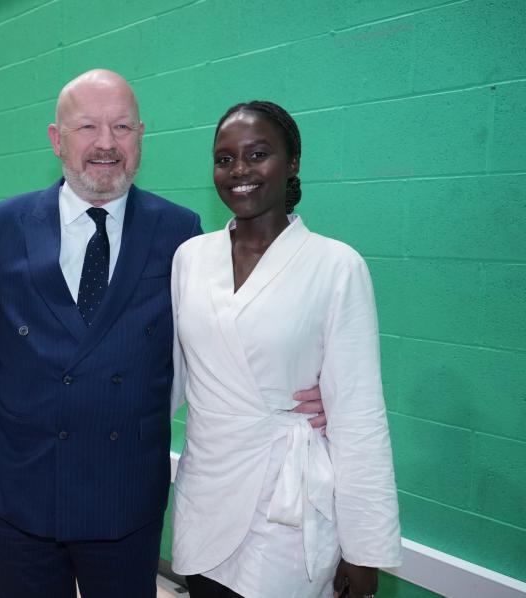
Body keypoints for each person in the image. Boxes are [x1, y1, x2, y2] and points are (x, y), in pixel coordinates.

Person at [0, 71, 325, 597]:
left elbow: (225, 343)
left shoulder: (180, 234)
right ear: (57, 139)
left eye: (122, 126)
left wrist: (301, 398)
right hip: (16, 498)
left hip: (125, 501)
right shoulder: (3, 224)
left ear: (141, 136)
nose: (106, 143)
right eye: (87, 127)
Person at [170, 101, 401, 598]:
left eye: (257, 154)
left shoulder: (336, 267)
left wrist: (363, 549)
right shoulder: (190, 259)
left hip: (288, 507)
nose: (239, 172)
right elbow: (171, 377)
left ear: (292, 161)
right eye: (224, 158)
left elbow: (359, 415)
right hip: (206, 489)